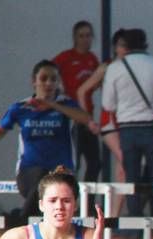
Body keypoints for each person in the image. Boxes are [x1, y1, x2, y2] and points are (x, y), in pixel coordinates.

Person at [0, 60, 91, 222]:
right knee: (42, 177)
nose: (48, 83)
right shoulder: (21, 108)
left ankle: (20, 220)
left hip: (62, 171)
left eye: (53, 79)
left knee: (51, 190)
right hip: (29, 174)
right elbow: (0, 130)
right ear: (34, 81)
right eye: (44, 78)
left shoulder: (66, 105)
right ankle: (22, 220)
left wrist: (52, 105)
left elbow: (85, 119)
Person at [101, 28, 153, 232]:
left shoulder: (115, 68)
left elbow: (108, 104)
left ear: (124, 46)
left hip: (127, 130)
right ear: (145, 44)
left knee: (131, 179)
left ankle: (134, 227)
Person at [77, 28, 129, 215]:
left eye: (128, 45)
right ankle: (110, 215)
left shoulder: (136, 66)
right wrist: (89, 120)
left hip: (129, 123)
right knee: (125, 160)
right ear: (115, 47)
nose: (125, 49)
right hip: (110, 124)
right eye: (122, 45)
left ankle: (113, 216)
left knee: (122, 170)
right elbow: (83, 91)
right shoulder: (108, 66)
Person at [53, 20, 101, 183]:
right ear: (75, 37)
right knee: (74, 163)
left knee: (95, 163)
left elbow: (98, 80)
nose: (85, 39)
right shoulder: (66, 57)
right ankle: (71, 202)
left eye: (88, 35)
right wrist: (59, 89)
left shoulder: (92, 59)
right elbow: (47, 70)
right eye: (81, 36)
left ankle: (88, 204)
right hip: (71, 117)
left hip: (87, 116)